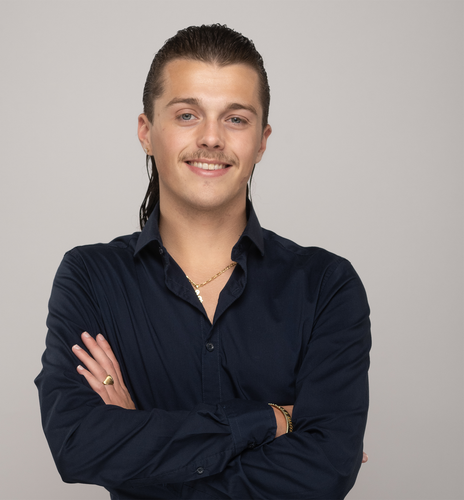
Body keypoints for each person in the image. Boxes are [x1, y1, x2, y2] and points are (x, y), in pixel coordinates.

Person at [35, 24, 371, 500]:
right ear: (147, 132)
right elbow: (78, 444)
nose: (211, 138)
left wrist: (137, 445)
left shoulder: (326, 285)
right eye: (187, 115)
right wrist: (270, 419)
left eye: (235, 119)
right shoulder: (91, 277)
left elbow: (327, 469)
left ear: (262, 141)